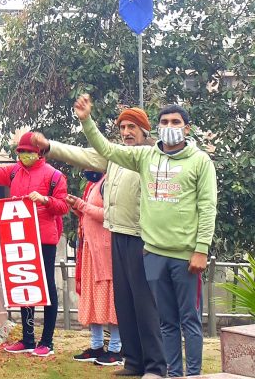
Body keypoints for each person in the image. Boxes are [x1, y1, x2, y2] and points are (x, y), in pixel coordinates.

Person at [74, 95, 217, 379]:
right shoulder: (147, 157)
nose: (170, 126)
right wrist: (86, 120)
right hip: (153, 252)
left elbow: (207, 206)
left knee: (188, 318)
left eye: (175, 122)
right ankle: (170, 373)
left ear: (186, 128)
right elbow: (106, 148)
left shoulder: (200, 161)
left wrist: (201, 248)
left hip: (185, 253)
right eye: (165, 121)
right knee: (164, 320)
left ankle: (194, 374)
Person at [32, 107, 167, 377]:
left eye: (132, 128)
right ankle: (133, 362)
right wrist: (49, 146)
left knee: (144, 304)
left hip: (142, 237)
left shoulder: (151, 156)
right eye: (122, 129)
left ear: (145, 131)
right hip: (116, 234)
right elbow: (83, 154)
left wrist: (86, 120)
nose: (127, 133)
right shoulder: (115, 156)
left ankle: (155, 366)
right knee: (125, 303)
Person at [0, 131, 68, 357]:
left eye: (28, 152)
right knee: (25, 284)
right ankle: (28, 338)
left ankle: (46, 341)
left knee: (46, 287)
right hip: (20, 236)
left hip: (45, 238)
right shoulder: (14, 171)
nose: (24, 155)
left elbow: (63, 207)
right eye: (21, 152)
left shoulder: (54, 175)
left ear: (39, 153)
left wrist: (45, 200)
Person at [67, 170, 123, 366]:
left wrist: (82, 205)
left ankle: (116, 348)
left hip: (106, 251)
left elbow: (110, 214)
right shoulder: (94, 182)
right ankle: (96, 345)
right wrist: (76, 207)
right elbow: (87, 212)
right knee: (91, 296)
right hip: (90, 248)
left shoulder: (111, 181)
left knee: (111, 299)